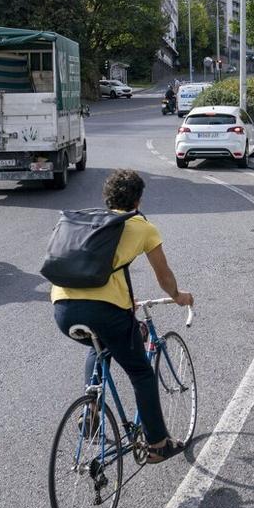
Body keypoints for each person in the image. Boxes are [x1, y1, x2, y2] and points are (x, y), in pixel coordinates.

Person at [51, 169, 193, 463]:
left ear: (108, 198)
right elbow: (163, 275)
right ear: (138, 200)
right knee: (141, 372)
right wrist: (178, 296)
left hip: (63, 309)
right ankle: (157, 446)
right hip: (104, 312)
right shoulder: (141, 226)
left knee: (99, 343)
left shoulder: (89, 221)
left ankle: (91, 408)